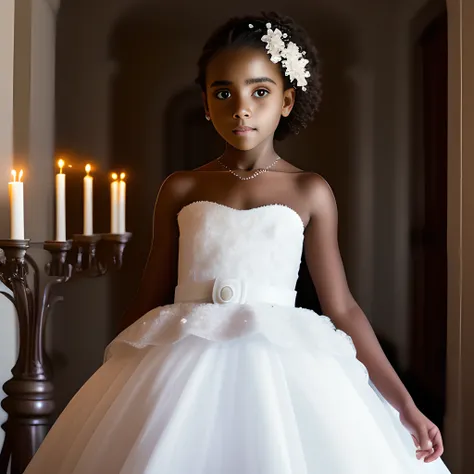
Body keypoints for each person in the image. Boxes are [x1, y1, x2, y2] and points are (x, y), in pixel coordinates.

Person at [25, 11, 450, 473]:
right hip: (179, 362)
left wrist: (404, 405)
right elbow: (149, 296)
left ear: (286, 101)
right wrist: (108, 384)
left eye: (259, 91)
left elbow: (343, 307)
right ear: (206, 104)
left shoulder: (310, 191)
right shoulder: (181, 188)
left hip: (282, 365)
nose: (240, 108)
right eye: (223, 93)